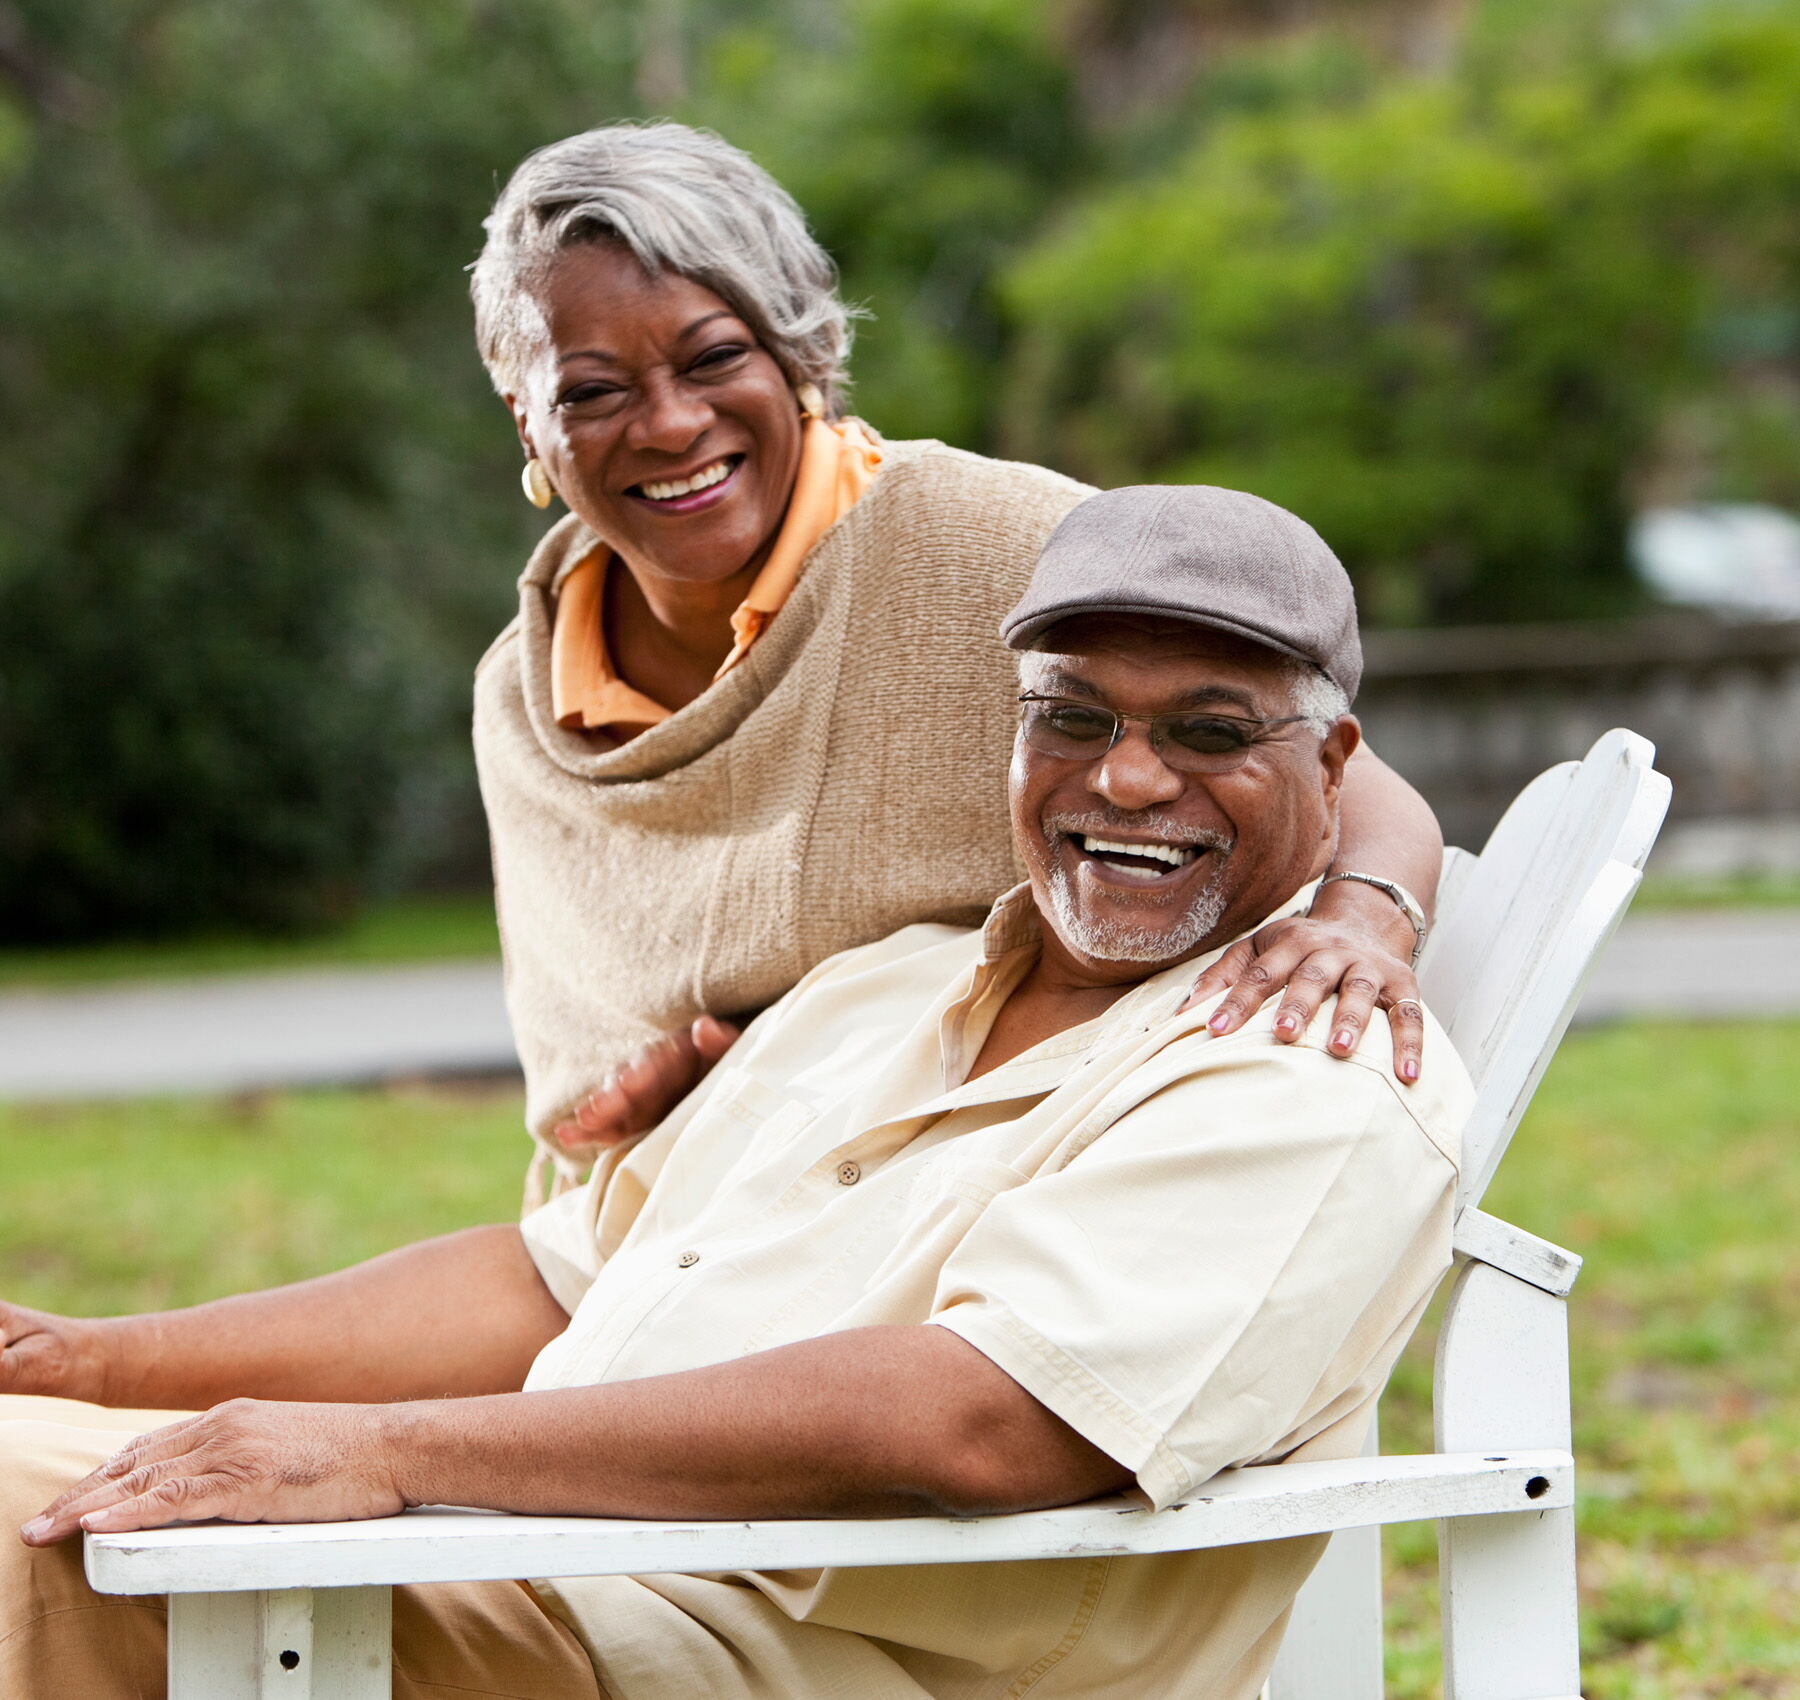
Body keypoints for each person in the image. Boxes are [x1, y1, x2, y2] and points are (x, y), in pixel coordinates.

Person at [5, 485, 1467, 1700]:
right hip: (521, 1554)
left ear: (1334, 765)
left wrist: (389, 1454)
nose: (1129, 779)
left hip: (726, 1651)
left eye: (1210, 732)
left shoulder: (1310, 1073)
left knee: (27, 1551)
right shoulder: (883, 985)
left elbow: (988, 1421)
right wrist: (82, 1360)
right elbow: (557, 1282)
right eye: (1073, 719)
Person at [468, 121, 1445, 1203]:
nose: (668, 423)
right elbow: (583, 1087)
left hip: (965, 1187)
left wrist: (1360, 921)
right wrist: (657, 1088)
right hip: (662, 1221)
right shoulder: (523, 695)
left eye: (714, 358)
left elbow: (1337, 772)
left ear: (799, 352)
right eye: (593, 391)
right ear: (527, 423)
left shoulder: (1001, 545)